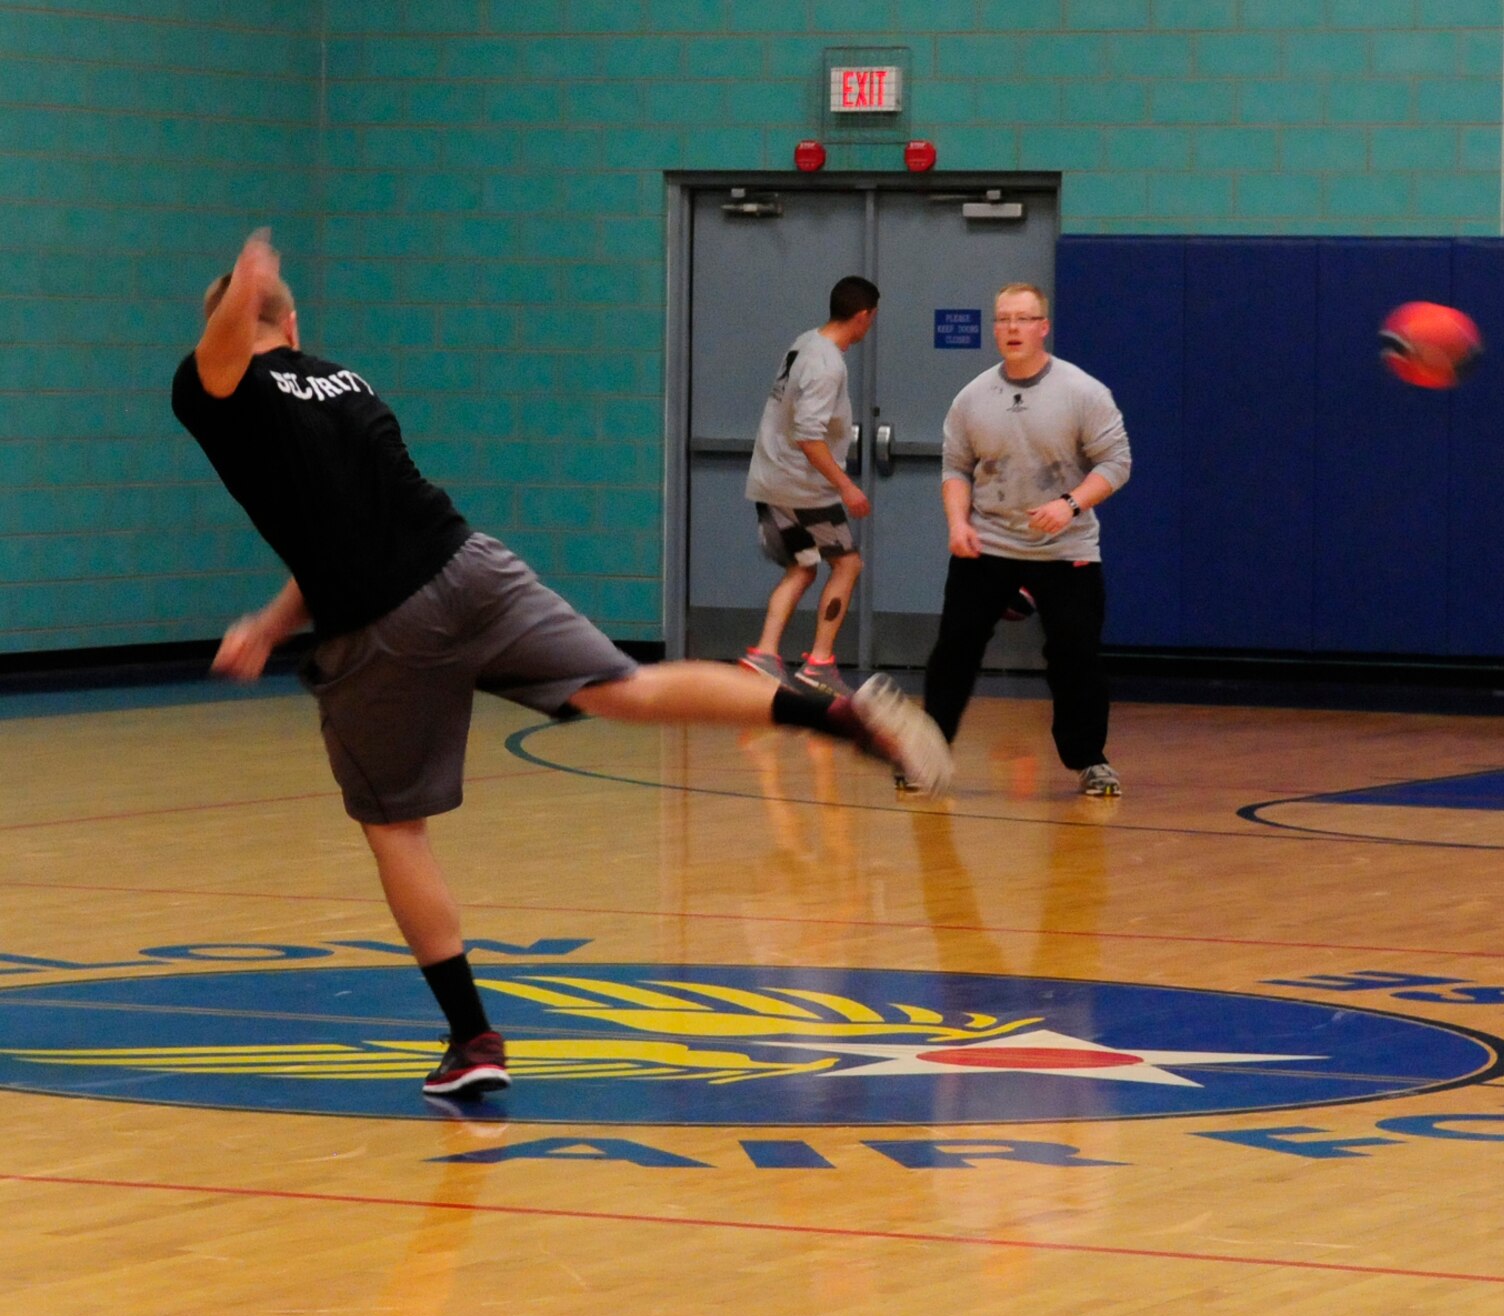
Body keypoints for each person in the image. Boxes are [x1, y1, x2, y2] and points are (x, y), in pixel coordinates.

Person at [170, 230, 950, 1099]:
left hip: (381, 632)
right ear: (296, 324)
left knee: (396, 830)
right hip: (469, 567)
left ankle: (473, 1037)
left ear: (233, 328)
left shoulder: (223, 388)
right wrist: (272, 622)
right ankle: (833, 715)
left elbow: (231, 375)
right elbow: (346, 532)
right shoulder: (346, 383)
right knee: (626, 688)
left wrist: (243, 281)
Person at [916, 282, 1132, 798]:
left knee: (1076, 654)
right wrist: (958, 523)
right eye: (1003, 319)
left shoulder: (1083, 392)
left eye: (1023, 319)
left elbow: (1116, 463)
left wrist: (1069, 504)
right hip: (987, 545)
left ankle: (1089, 760)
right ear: (995, 329)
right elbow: (956, 468)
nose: (1012, 328)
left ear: (1043, 327)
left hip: (1065, 549)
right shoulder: (972, 398)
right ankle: (926, 755)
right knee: (954, 651)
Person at [739, 276, 878, 697]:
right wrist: (847, 487)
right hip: (803, 489)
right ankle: (819, 663)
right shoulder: (826, 365)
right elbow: (808, 437)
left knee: (802, 568)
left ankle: (765, 655)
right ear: (863, 316)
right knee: (847, 565)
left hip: (770, 479)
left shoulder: (805, 342)